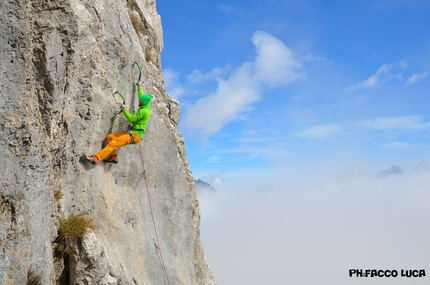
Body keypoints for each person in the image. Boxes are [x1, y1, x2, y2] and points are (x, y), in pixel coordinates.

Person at [85, 85, 153, 165]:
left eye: (140, 101)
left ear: (143, 103)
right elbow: (141, 96)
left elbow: (131, 119)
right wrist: (139, 86)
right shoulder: (145, 105)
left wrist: (124, 109)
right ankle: (114, 157)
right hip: (132, 133)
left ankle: (96, 158)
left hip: (134, 136)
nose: (138, 101)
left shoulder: (144, 111)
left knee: (113, 143)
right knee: (110, 137)